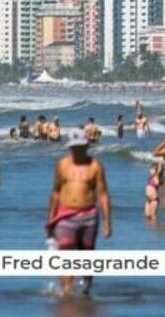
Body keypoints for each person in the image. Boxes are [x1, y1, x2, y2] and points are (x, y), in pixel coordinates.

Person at [46, 127, 113, 298]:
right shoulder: (62, 165)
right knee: (66, 256)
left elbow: (103, 194)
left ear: (86, 146)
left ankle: (86, 290)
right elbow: (55, 192)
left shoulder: (95, 166)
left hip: (89, 215)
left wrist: (107, 222)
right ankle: (67, 293)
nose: (78, 150)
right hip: (65, 216)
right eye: (74, 147)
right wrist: (50, 219)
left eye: (81, 146)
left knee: (87, 256)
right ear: (70, 147)